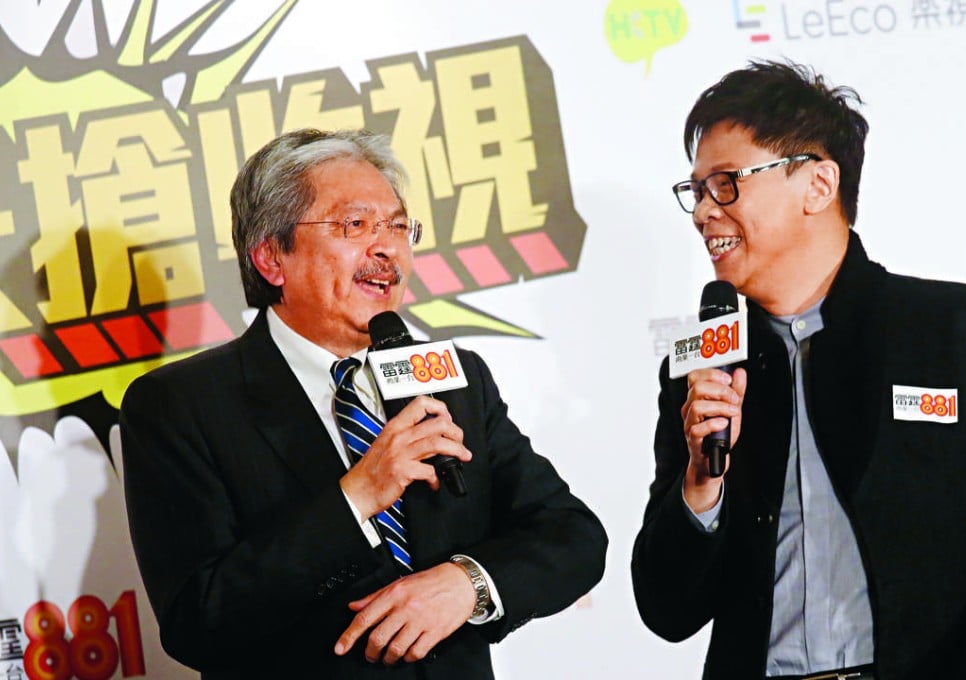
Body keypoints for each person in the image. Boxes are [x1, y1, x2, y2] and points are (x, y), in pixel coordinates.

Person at [120, 128, 607, 679]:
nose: (387, 248)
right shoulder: (181, 405)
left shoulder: (453, 377)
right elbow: (197, 620)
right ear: (271, 257)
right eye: (354, 225)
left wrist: (466, 583)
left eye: (398, 226)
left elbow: (573, 537)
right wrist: (355, 498)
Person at [631, 61, 966, 679]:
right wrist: (701, 486)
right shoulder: (704, 369)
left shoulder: (961, 331)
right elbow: (666, 608)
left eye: (727, 183)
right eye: (696, 190)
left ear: (818, 185)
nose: (704, 211)